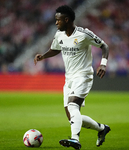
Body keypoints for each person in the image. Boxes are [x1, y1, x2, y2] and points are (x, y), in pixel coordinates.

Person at [34, 5, 110, 150]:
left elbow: (104, 46)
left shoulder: (83, 34)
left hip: (83, 76)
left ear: (67, 20)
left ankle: (75, 139)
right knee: (72, 117)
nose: (56, 23)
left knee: (73, 105)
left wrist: (103, 64)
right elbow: (56, 48)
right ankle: (101, 129)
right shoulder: (59, 34)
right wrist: (43, 56)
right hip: (68, 78)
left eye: (58, 20)